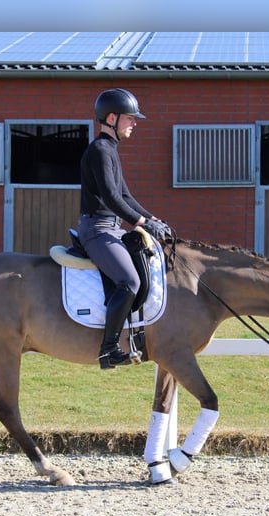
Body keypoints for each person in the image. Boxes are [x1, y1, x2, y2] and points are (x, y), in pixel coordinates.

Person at [78, 88, 169, 369]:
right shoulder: (99, 150)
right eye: (130, 118)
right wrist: (141, 223)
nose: (135, 123)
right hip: (97, 229)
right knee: (129, 282)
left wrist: (152, 218)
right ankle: (108, 350)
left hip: (113, 228)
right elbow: (110, 197)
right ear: (112, 117)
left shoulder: (111, 150)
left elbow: (126, 196)